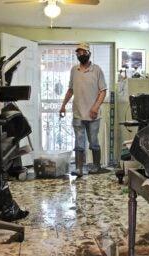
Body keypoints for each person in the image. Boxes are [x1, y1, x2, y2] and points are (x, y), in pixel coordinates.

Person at [59, 43, 107, 177]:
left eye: (83, 52)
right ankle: (79, 168)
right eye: (78, 53)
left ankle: (96, 166)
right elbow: (70, 89)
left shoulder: (97, 70)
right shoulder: (74, 70)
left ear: (89, 53)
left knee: (94, 142)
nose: (81, 55)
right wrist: (63, 105)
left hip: (93, 115)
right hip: (78, 113)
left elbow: (103, 91)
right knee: (79, 142)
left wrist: (95, 107)